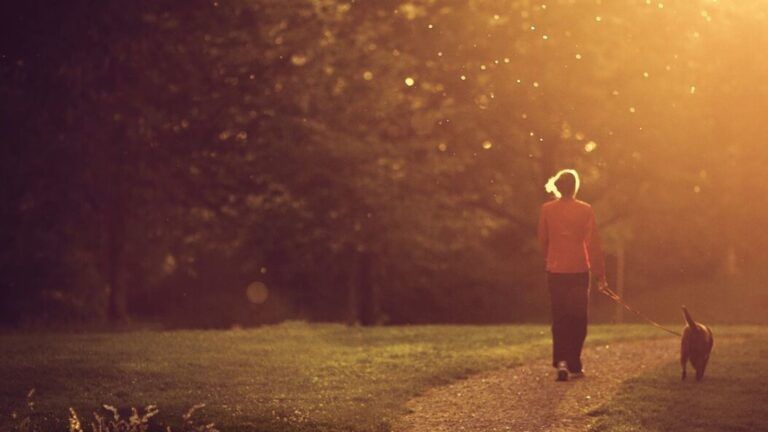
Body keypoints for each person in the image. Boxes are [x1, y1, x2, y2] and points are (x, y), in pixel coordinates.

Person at [537, 169, 606, 381]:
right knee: (578, 318)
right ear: (575, 187)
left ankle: (562, 362)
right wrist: (600, 274)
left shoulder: (547, 209)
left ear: (558, 187)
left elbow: (542, 240)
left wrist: (551, 257)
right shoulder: (585, 210)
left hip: (556, 271)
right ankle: (574, 362)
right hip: (578, 270)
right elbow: (593, 243)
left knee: (559, 318)